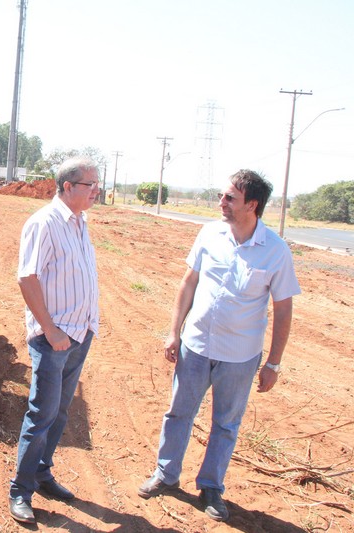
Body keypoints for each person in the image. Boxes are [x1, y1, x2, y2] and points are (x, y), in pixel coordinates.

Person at [138, 169, 301, 522]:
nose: (221, 203)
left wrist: (273, 363)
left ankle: (211, 486)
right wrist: (173, 331)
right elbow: (188, 283)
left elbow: (284, 308)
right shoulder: (210, 233)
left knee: (226, 424)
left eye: (229, 198)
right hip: (195, 345)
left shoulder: (275, 250)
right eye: (222, 196)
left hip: (240, 356)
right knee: (179, 413)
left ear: (252, 205)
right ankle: (165, 475)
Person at [9, 157, 101, 524]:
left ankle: (43, 473)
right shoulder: (44, 223)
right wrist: (49, 329)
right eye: (90, 185)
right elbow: (27, 278)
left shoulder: (80, 222)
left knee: (60, 411)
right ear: (67, 187)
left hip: (79, 334)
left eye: (96, 184)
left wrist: (87, 325)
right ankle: (20, 490)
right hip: (54, 338)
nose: (96, 191)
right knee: (42, 413)